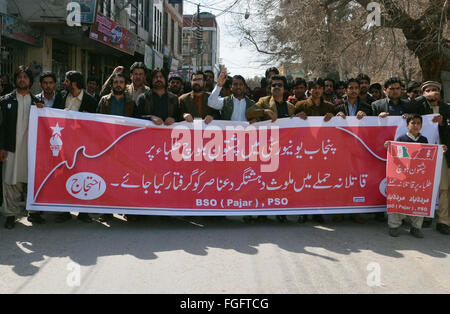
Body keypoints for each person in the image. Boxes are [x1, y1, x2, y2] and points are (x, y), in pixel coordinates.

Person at [384, 114, 447, 238]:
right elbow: (395, 158)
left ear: (421, 126)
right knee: (398, 199)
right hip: (403, 178)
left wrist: (440, 150)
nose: (416, 126)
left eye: (418, 123)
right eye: (413, 123)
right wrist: (388, 147)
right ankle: (394, 226)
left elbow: (429, 157)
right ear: (407, 125)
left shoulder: (424, 140)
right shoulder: (401, 139)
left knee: (419, 201)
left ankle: (416, 227)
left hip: (418, 179)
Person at [0, 66, 45, 229]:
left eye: (25, 77)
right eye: (19, 77)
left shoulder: (37, 102)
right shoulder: (5, 100)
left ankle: (33, 212)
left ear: (30, 81)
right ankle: (10, 214)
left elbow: (46, 126)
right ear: (15, 79)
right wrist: (2, 147)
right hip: (11, 148)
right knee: (9, 182)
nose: (22, 79)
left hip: (30, 150)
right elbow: (2, 126)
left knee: (32, 180)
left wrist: (43, 111)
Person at [246, 74, 295, 223]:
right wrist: (264, 112)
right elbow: (248, 113)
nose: (277, 87)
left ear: (284, 88)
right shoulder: (264, 102)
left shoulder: (291, 107)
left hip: (285, 150)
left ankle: (281, 212)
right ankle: (262, 212)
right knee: (264, 182)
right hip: (266, 149)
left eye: (280, 85)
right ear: (270, 88)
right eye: (274, 85)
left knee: (282, 182)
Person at [55, 71, 98, 224]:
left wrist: (86, 120)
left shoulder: (90, 101)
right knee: (63, 176)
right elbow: (52, 118)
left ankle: (83, 212)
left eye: (66, 81)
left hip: (83, 148)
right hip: (63, 145)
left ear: (74, 83)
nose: (64, 83)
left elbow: (97, 126)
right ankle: (64, 211)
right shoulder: (60, 97)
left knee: (83, 176)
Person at [409, 81, 450, 235]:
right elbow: (409, 111)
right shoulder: (419, 106)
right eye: (428, 90)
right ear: (423, 92)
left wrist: (443, 124)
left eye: (435, 90)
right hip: (423, 153)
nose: (432, 92)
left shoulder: (447, 109)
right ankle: (424, 216)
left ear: (440, 93)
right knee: (423, 185)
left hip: (443, 152)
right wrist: (423, 97)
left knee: (444, 188)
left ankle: (443, 221)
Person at [294, 78, 335, 224]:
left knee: (319, 180)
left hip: (323, 150)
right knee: (304, 181)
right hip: (305, 149)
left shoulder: (330, 107)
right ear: (309, 90)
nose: (317, 90)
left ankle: (318, 212)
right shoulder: (300, 105)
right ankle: (303, 212)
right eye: (314, 88)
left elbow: (338, 126)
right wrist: (296, 117)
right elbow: (290, 124)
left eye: (319, 87)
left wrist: (334, 118)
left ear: (323, 90)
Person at [334, 78, 373, 224]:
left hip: (359, 147)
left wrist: (366, 117)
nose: (354, 90)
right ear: (346, 90)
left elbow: (372, 127)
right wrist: (336, 118)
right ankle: (340, 211)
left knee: (356, 179)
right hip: (342, 147)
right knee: (341, 179)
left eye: (356, 87)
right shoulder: (337, 106)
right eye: (351, 87)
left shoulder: (366, 107)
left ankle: (356, 211)